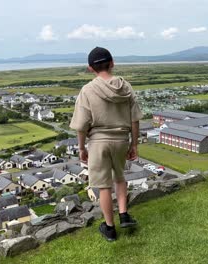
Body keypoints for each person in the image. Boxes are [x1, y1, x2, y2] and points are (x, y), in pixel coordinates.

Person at [70, 47, 143, 241]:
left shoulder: (87, 90)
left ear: (90, 68)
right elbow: (134, 119)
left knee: (103, 186)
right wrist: (134, 144)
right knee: (120, 178)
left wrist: (81, 147)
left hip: (98, 142)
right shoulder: (125, 87)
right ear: (112, 62)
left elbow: (81, 125)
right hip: (121, 140)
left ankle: (110, 228)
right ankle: (124, 214)